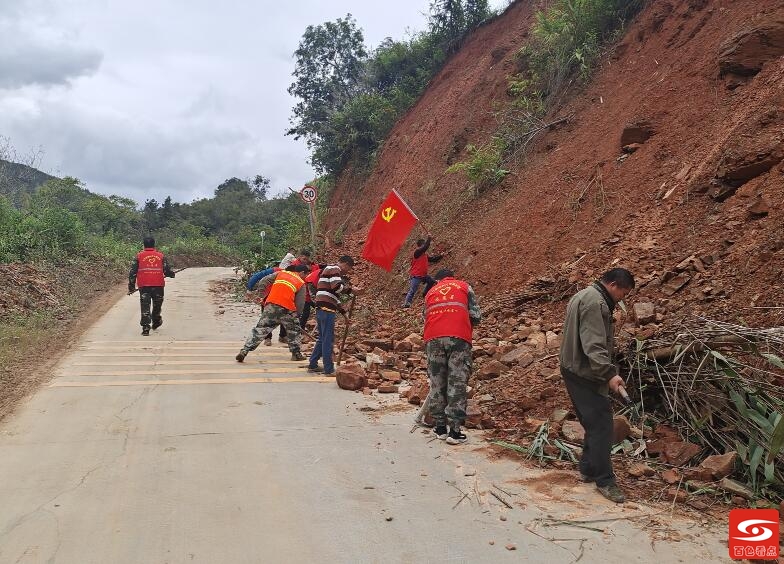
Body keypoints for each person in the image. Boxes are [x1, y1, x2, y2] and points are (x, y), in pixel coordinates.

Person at [559, 268, 635, 504]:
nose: (623, 298)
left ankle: (588, 468)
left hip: (573, 367)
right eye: (623, 292)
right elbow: (593, 345)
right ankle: (605, 480)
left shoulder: (583, 294)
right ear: (613, 285)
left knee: (593, 422)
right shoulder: (596, 303)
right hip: (584, 372)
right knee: (602, 425)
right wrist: (609, 374)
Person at [424, 269, 481, 445]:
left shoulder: (430, 292)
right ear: (451, 278)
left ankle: (440, 428)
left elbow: (424, 317)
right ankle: (454, 432)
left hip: (433, 338)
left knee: (437, 382)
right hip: (458, 337)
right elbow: (476, 316)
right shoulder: (464, 286)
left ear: (438, 280)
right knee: (457, 380)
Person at [235, 264, 310, 362]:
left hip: (271, 305)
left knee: (260, 329)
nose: (305, 278)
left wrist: (261, 295)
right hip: (287, 308)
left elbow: (263, 281)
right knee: (294, 331)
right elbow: (300, 304)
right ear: (301, 273)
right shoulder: (301, 283)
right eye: (306, 275)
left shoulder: (281, 273)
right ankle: (296, 354)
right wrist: (297, 316)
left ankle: (244, 351)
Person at [307, 256, 356, 376]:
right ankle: (328, 369)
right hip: (326, 309)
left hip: (322, 307)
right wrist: (351, 290)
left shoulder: (329, 270)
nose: (347, 271)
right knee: (328, 339)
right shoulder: (335, 268)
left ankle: (313, 364)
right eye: (348, 268)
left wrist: (344, 314)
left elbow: (334, 297)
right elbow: (337, 288)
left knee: (322, 338)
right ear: (344, 263)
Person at [128, 237, 175, 336]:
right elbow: (166, 270)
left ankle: (145, 328)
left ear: (144, 245)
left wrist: (131, 286)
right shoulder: (161, 256)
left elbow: (132, 272)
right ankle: (156, 320)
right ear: (154, 245)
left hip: (144, 286)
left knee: (145, 306)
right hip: (158, 285)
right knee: (157, 305)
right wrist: (171, 274)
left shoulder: (139, 256)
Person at [403, 234, 442, 308]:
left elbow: (432, 259)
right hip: (416, 276)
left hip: (423, 275)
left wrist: (441, 256)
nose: (424, 246)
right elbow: (425, 247)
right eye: (423, 245)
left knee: (431, 281)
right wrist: (429, 238)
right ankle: (407, 304)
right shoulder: (417, 252)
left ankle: (425, 294)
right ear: (420, 246)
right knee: (412, 290)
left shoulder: (424, 254)